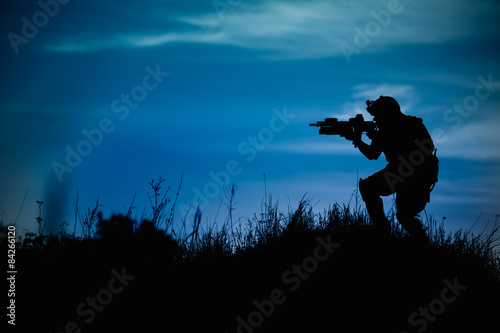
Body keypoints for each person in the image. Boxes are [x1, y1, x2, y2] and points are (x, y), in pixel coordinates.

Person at [346, 96, 439, 241]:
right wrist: (368, 138)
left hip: (413, 174)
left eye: (378, 115)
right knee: (404, 215)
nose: (376, 119)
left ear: (386, 113)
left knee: (373, 190)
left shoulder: (403, 125)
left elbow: (372, 154)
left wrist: (359, 140)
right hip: (413, 174)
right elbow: (374, 153)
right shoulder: (401, 125)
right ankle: (417, 243)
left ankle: (383, 232)